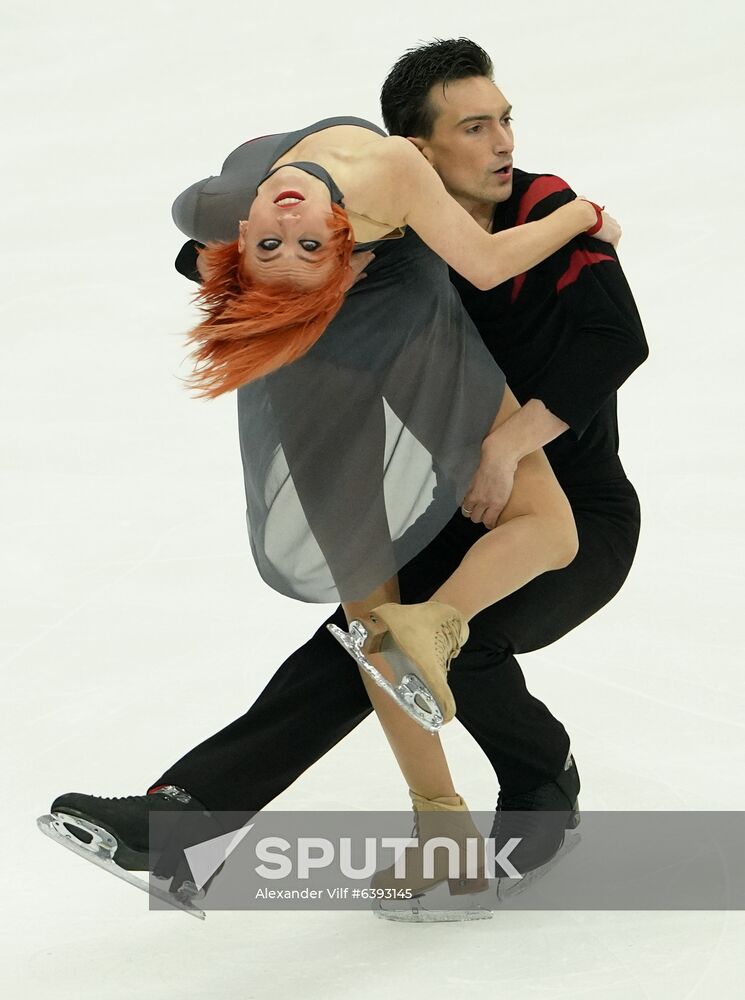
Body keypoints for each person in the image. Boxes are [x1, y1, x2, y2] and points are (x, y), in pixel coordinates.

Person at [45, 39, 645, 917]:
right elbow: (228, 251)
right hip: (454, 515)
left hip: (577, 520)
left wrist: (506, 447)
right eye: (472, 129)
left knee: (438, 642)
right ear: (419, 153)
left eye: (503, 120)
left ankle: (541, 785)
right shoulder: (384, 235)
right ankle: (179, 821)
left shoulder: (545, 210)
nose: (502, 144)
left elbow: (614, 344)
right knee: (365, 639)